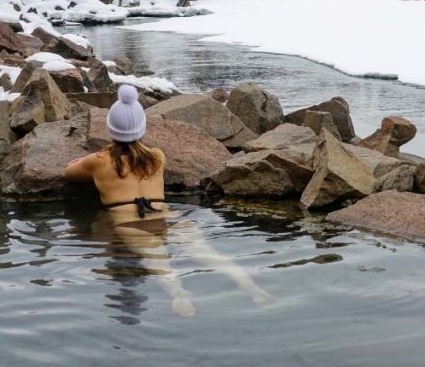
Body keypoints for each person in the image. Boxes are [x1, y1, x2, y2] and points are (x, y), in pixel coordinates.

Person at [64, 84, 272, 317]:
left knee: (159, 263)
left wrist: (82, 159)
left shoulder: (98, 160)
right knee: (212, 255)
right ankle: (253, 287)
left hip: (130, 223)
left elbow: (69, 172)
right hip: (166, 216)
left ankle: (180, 296)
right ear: (141, 128)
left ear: (110, 128)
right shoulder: (157, 156)